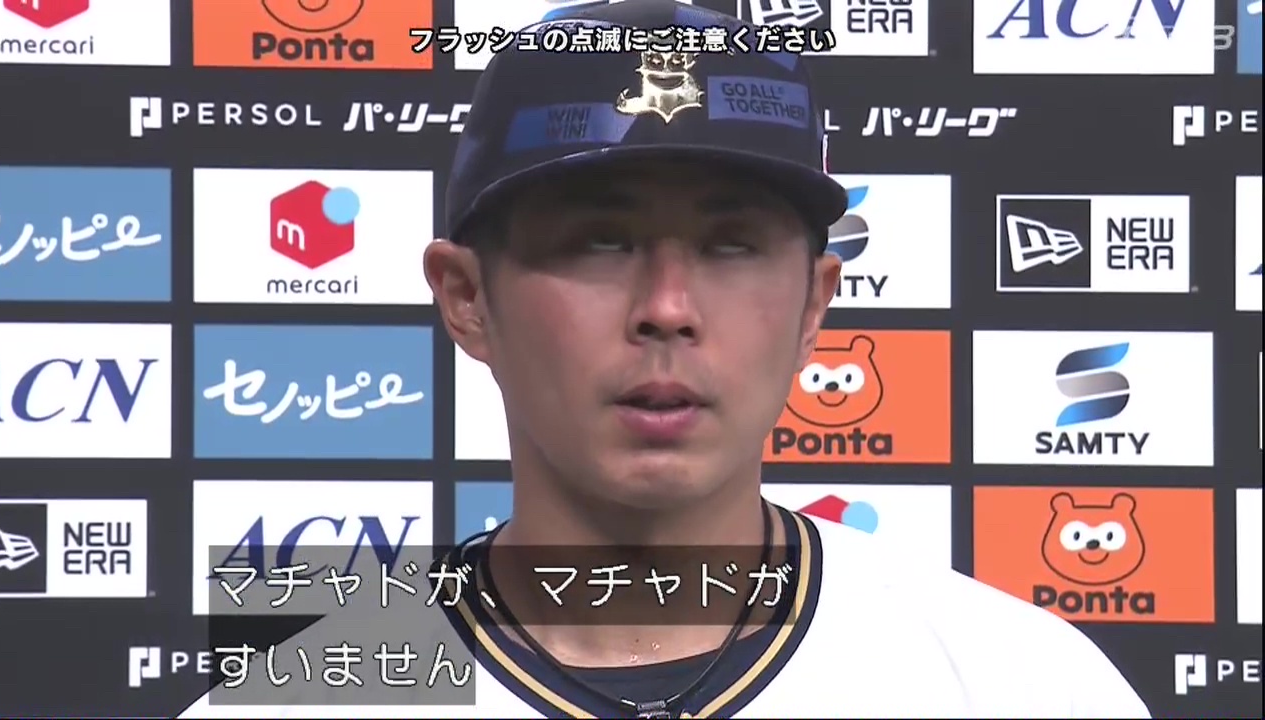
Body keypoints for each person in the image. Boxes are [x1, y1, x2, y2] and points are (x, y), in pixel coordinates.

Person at [179, 1, 1151, 717]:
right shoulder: (314, 692)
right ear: (467, 298)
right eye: (600, 242)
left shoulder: (1013, 680)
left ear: (813, 305)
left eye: (731, 246)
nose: (668, 309)